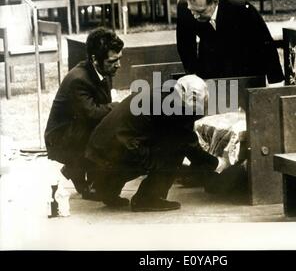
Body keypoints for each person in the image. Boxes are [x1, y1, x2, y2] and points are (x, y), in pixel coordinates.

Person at [85, 75, 228, 210]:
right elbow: (189, 146)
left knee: (152, 145)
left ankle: (107, 188)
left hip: (98, 150)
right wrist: (217, 163)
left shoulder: (163, 93)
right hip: (117, 153)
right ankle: (148, 198)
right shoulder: (176, 108)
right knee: (175, 151)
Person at [44, 27, 124, 203]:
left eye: (119, 59)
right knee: (101, 130)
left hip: (75, 130)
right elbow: (92, 114)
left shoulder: (103, 69)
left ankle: (76, 168)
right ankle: (82, 177)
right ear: (95, 59)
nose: (118, 65)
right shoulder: (78, 79)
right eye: (113, 61)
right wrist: (118, 106)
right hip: (61, 138)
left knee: (108, 127)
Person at [176, 0, 284, 84]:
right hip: (210, 49)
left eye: (200, 11)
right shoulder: (184, 7)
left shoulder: (238, 5)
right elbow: (185, 44)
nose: (195, 15)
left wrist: (275, 79)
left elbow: (263, 39)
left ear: (215, 2)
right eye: (192, 10)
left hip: (241, 51)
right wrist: (193, 75)